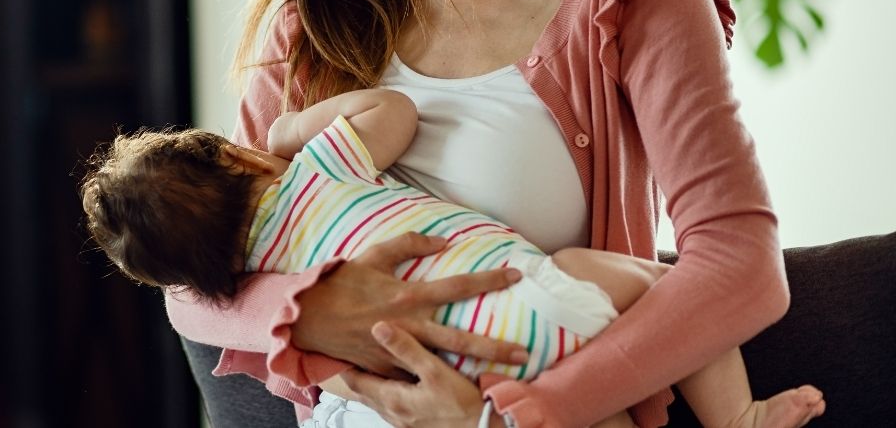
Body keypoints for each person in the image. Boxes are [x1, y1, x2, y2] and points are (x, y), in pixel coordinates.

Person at [167, 0, 800, 426]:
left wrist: (510, 417)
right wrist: (311, 312)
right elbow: (189, 282)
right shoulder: (313, 24)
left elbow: (740, 266)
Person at [81, 89, 824, 428]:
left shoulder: (264, 290)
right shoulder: (315, 168)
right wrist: (295, 126)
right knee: (655, 282)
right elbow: (394, 115)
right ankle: (739, 418)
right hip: (531, 300)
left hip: (445, 377)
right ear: (240, 158)